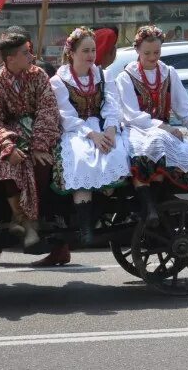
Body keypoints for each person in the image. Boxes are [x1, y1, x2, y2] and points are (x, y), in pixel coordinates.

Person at [0, 31, 63, 266]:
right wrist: (7, 147)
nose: (31, 55)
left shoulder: (38, 76)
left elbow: (48, 110)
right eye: (25, 52)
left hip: (40, 136)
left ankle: (28, 224)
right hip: (9, 137)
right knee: (4, 163)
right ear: (10, 59)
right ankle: (24, 222)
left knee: (42, 163)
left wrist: (41, 144)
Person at [113, 25, 188, 228]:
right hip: (137, 128)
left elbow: (183, 105)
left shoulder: (168, 73)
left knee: (169, 144)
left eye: (156, 52)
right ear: (137, 50)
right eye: (147, 53)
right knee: (151, 145)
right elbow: (130, 114)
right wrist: (162, 126)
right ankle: (150, 207)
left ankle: (152, 208)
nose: (152, 57)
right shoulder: (126, 77)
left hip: (164, 131)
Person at [49, 27, 132, 244]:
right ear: (72, 53)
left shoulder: (103, 75)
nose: (90, 56)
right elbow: (65, 116)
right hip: (76, 130)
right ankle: (85, 227)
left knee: (115, 154)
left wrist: (111, 129)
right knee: (82, 158)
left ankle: (97, 217)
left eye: (93, 50)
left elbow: (112, 106)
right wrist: (91, 134)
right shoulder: (59, 80)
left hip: (102, 126)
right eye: (85, 51)